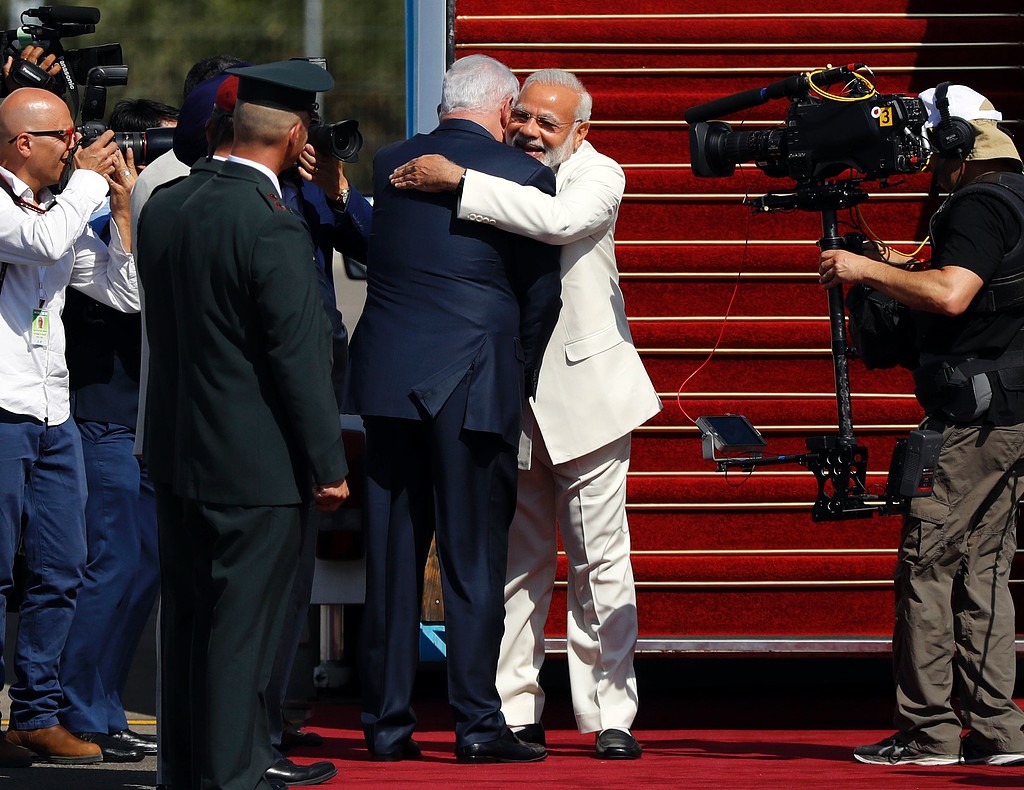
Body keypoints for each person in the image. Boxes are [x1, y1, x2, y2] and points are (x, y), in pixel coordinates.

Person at [390, 67, 662, 760]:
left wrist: (460, 181)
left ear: (581, 130)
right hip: (507, 393)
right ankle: (514, 707)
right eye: (524, 117)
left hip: (588, 396)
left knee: (601, 560)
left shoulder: (598, 173)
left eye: (549, 123)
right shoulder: (499, 169)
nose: (531, 132)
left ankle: (609, 713)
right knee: (517, 561)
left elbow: (560, 221)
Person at [346, 53, 562, 764]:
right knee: (474, 561)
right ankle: (476, 725)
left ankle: (385, 726)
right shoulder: (524, 173)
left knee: (391, 560)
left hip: (389, 380)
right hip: (475, 382)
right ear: (503, 110)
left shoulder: (391, 163)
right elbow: (541, 292)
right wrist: (520, 371)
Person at [140, 60, 350, 789]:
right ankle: (233, 775)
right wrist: (329, 464)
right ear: (295, 137)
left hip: (177, 452)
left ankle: (189, 770)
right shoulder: (270, 226)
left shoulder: (167, 203)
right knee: (241, 630)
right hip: (254, 466)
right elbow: (299, 359)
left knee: (189, 623)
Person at [818, 83, 1024, 767]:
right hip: (1010, 415)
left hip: (973, 421)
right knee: (984, 571)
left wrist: (860, 268)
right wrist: (895, 268)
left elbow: (953, 292)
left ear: (955, 141)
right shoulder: (1015, 198)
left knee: (927, 564)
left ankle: (928, 731)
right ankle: (997, 731)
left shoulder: (975, 205)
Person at [0, 87, 138, 767]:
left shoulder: (59, 206)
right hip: (3, 409)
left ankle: (36, 714)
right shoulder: (15, 209)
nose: (75, 147)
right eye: (66, 135)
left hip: (54, 411)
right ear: (23, 142)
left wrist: (120, 211)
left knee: (62, 566)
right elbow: (44, 242)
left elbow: (124, 293)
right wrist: (86, 184)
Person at [56, 96, 179, 765]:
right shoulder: (81, 214)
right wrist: (115, 205)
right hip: (103, 411)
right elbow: (124, 295)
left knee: (146, 566)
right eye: (153, 147)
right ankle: (77, 707)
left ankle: (101, 701)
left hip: (150, 416)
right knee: (113, 562)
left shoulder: (165, 209)